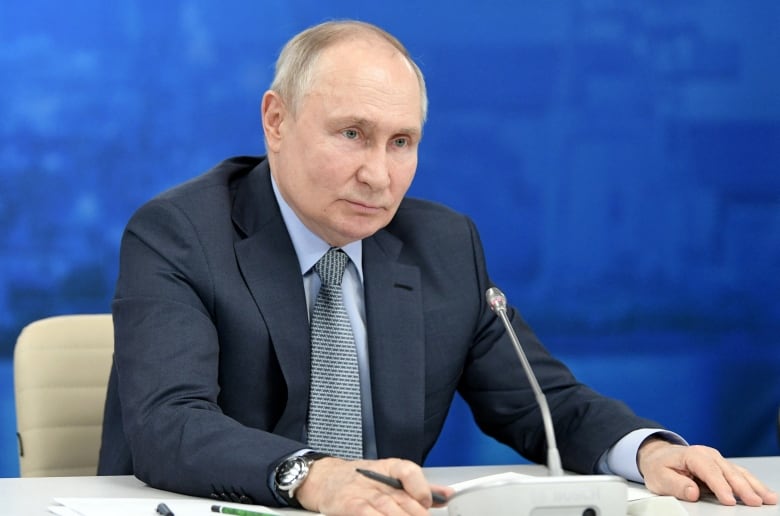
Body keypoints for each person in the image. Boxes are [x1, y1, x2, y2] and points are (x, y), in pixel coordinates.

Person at [98, 19, 776, 515]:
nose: (378, 175)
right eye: (352, 135)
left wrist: (648, 451)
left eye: (402, 143)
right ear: (276, 120)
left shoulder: (443, 246)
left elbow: (549, 408)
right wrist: (316, 475)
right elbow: (169, 425)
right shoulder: (179, 233)